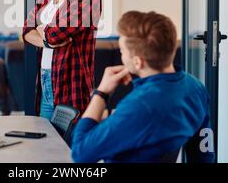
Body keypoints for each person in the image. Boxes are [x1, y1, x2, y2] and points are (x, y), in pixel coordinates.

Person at [71, 11, 215, 163]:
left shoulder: (139, 106)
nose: (121, 55)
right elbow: (204, 153)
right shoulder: (195, 87)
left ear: (138, 62)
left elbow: (80, 153)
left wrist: (101, 93)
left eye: (122, 51)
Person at [23, 0, 102, 120]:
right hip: (45, 79)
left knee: (66, 146)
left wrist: (43, 32)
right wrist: (44, 35)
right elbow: (26, 30)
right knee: (46, 145)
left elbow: (53, 35)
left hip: (69, 82)